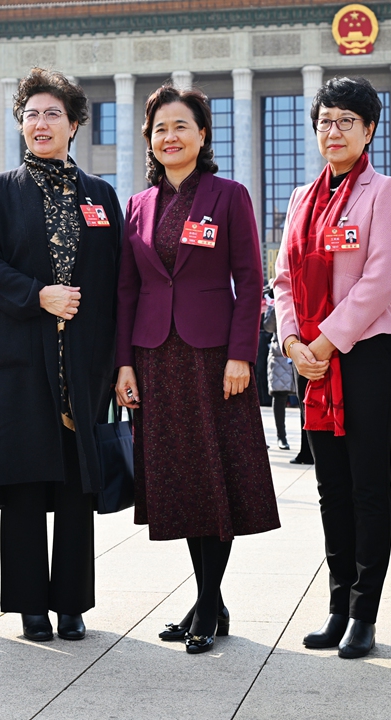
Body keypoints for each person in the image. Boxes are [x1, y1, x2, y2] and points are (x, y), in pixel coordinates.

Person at [115, 84, 280, 654]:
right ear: (150, 140)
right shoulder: (137, 205)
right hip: (156, 359)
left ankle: (207, 604)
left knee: (216, 477)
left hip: (214, 360)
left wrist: (242, 354)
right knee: (182, 480)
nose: (170, 137)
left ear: (203, 134)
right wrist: (123, 365)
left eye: (181, 126)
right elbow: (127, 291)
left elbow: (251, 281)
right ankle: (209, 600)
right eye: (160, 128)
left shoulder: (229, 196)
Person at [0, 68, 122, 643]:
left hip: (81, 363)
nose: (40, 123)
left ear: (74, 124)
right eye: (30, 114)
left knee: (78, 486)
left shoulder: (101, 197)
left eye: (52, 113)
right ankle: (31, 603)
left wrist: (113, 361)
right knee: (27, 485)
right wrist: (37, 295)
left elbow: (114, 283)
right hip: (21, 361)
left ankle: (72, 603)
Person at [273, 77, 391, 659]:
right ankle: (335, 605)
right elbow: (281, 278)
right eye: (326, 120)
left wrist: (324, 344)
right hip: (311, 363)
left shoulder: (386, 193)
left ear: (369, 129)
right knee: (330, 488)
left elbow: (381, 280)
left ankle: (364, 613)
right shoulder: (302, 198)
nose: (334, 131)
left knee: (367, 485)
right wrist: (289, 341)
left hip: (362, 356)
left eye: (346, 121)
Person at [263, 296, 295, 450]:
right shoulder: (275, 303)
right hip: (279, 354)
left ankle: (307, 445)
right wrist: (277, 307)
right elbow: (268, 327)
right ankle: (281, 437)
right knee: (279, 396)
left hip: (300, 350)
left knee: (303, 400)